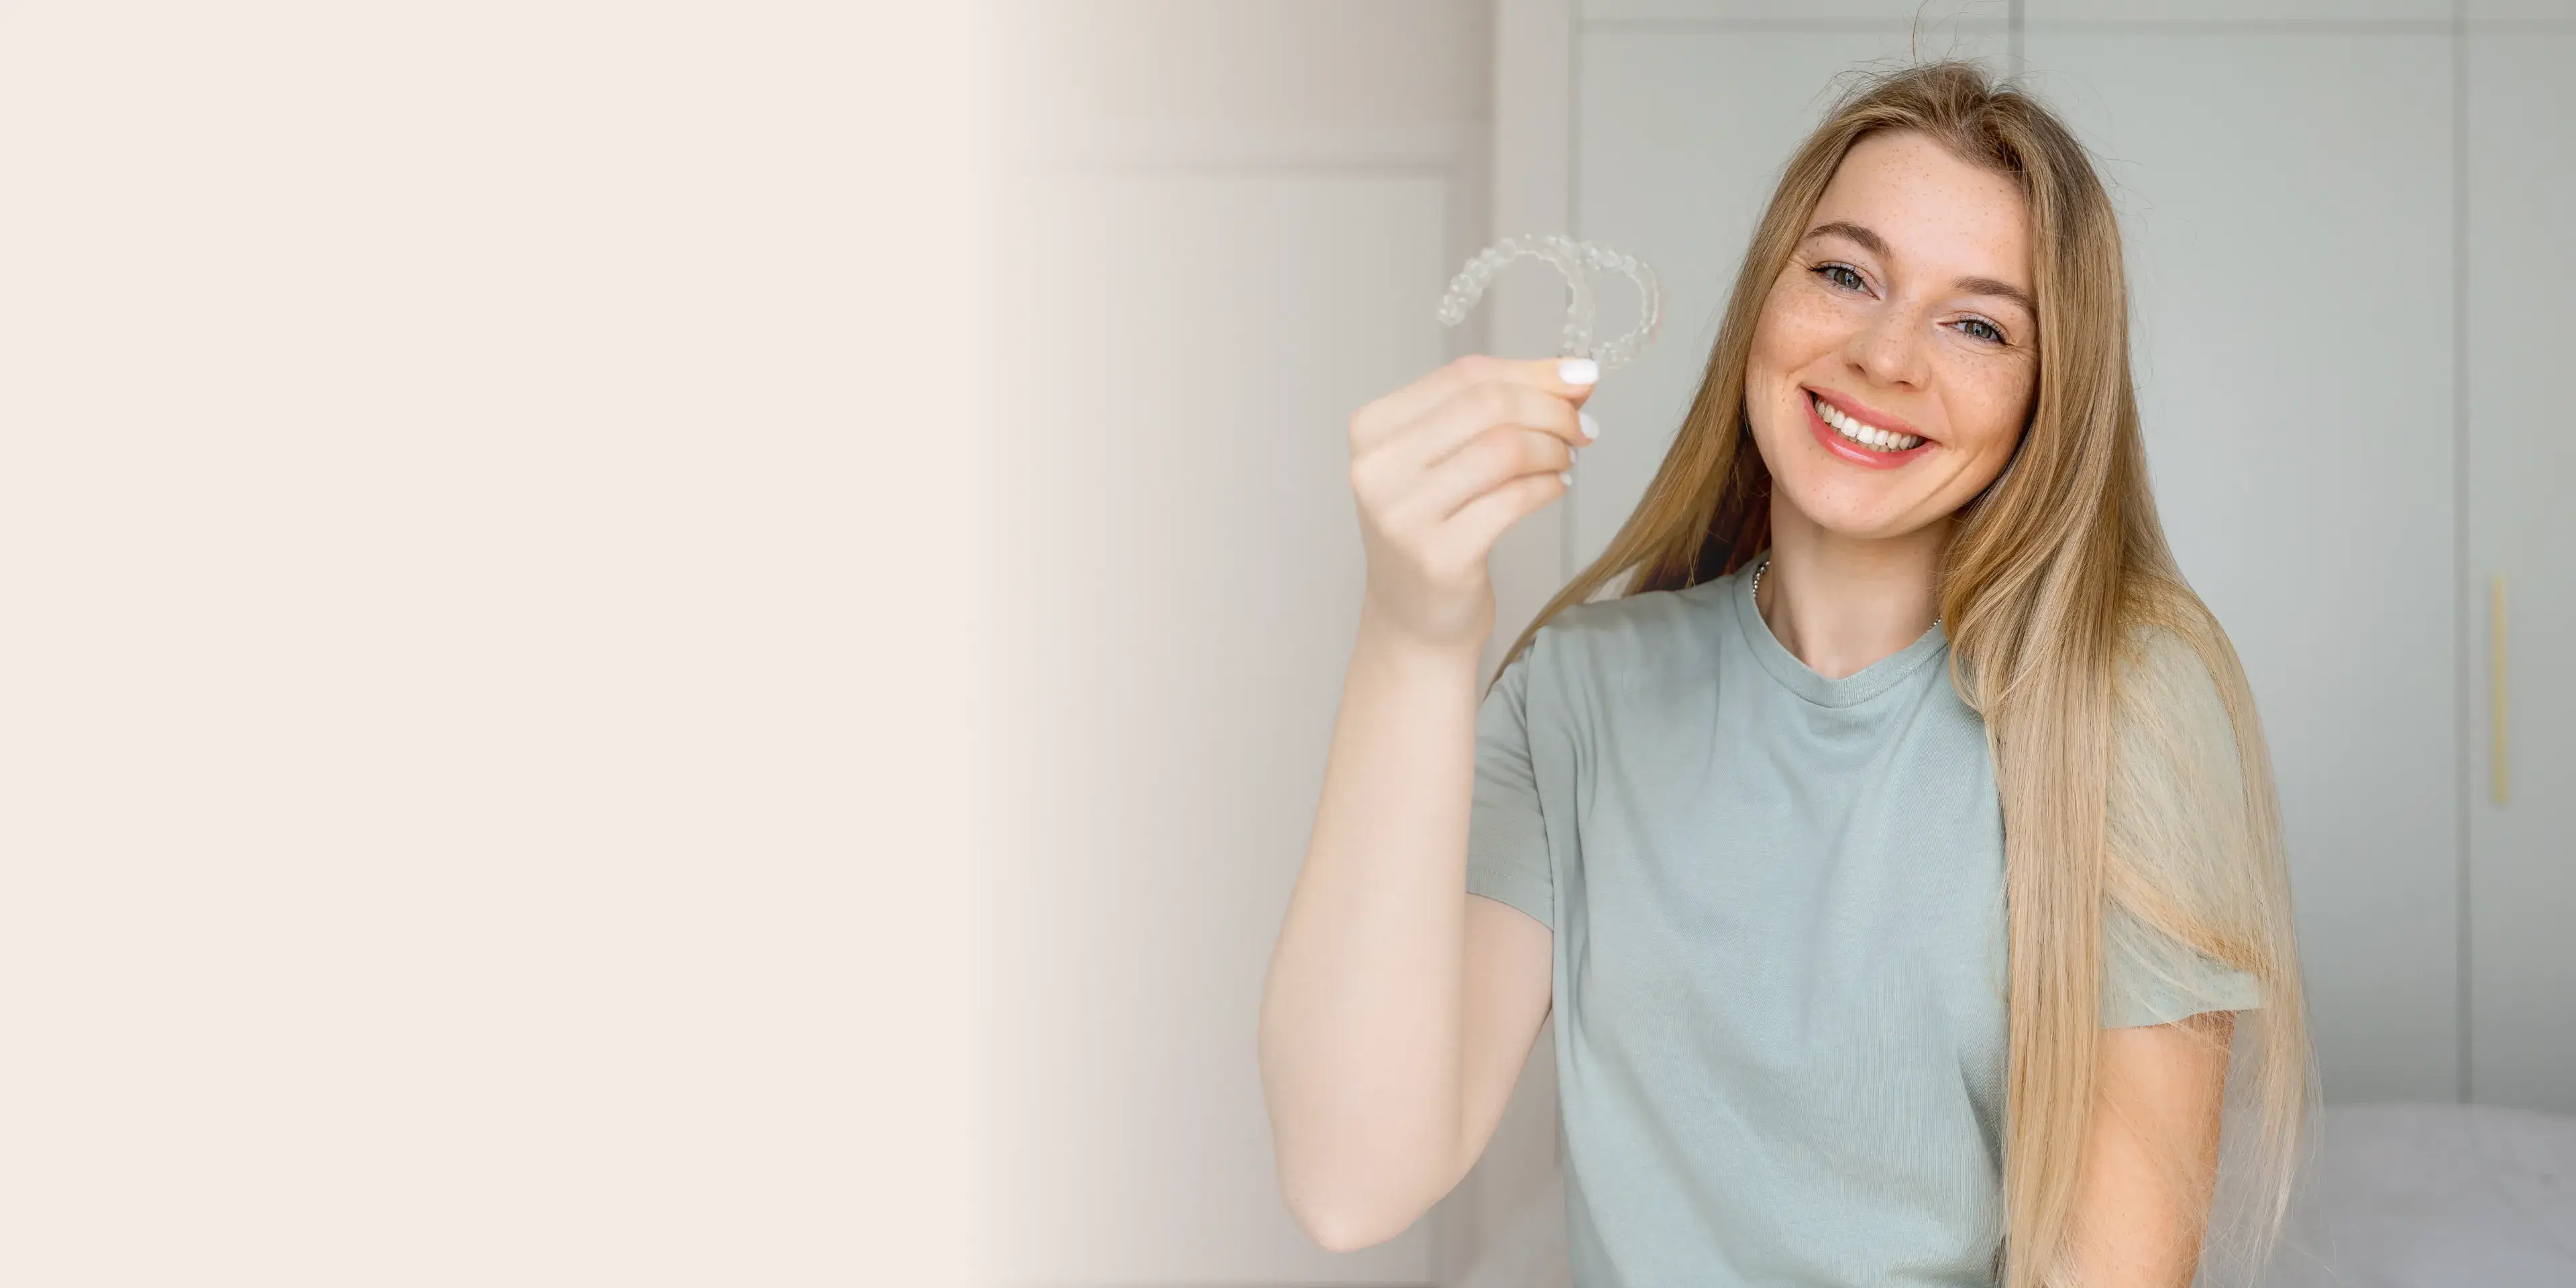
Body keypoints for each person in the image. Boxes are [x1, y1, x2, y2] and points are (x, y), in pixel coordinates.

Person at [1256, 60, 2312, 1288]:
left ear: (2047, 400)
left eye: (1977, 324)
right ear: (1765, 300)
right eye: (1844, 273)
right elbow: (1349, 1180)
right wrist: (1413, 633)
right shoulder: (1576, 697)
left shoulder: (2129, 705)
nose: (1884, 354)